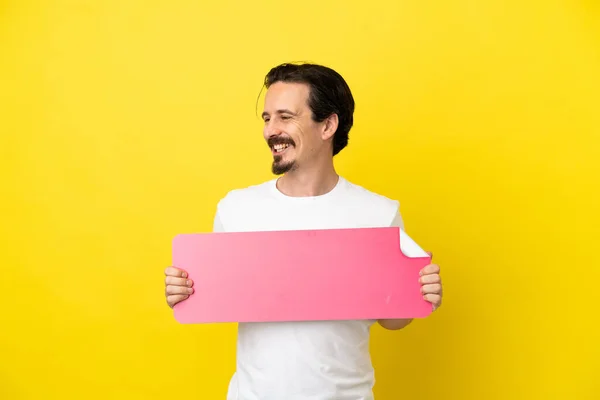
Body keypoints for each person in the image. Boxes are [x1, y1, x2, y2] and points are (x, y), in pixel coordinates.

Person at [164, 62, 443, 400]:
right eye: (267, 118)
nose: (271, 131)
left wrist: (420, 293)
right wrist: (185, 291)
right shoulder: (236, 210)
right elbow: (214, 295)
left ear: (327, 125)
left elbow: (393, 319)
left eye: (285, 116)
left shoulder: (379, 213)